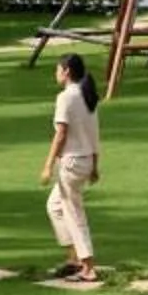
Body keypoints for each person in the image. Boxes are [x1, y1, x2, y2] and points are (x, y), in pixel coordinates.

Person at [42, 52, 102, 282]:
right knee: (54, 206)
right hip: (85, 160)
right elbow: (94, 135)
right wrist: (95, 165)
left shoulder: (66, 97)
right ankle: (74, 258)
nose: (56, 74)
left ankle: (88, 267)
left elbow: (61, 134)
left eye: (57, 70)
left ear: (66, 72)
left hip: (72, 162)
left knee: (73, 212)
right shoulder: (88, 97)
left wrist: (48, 165)